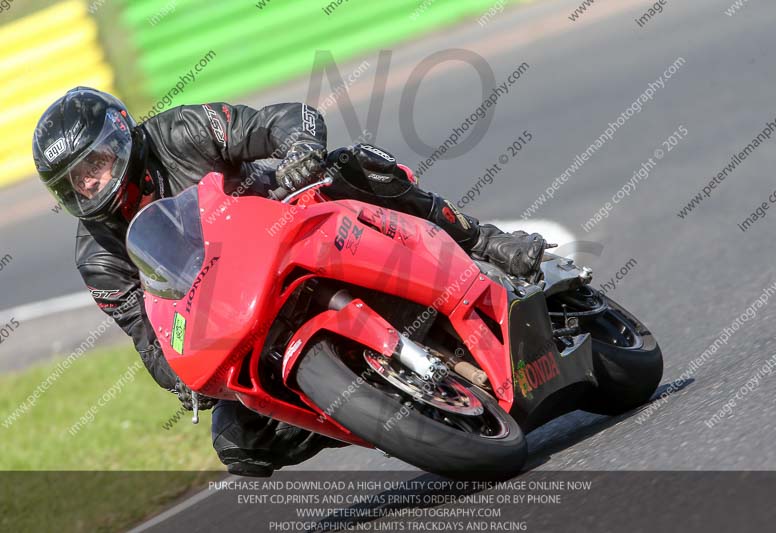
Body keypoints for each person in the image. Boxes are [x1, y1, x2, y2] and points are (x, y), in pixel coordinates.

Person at [32, 87, 545, 476]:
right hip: (238, 311)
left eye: (93, 166)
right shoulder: (97, 257)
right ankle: (364, 411)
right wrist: (183, 379)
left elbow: (282, 119)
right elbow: (148, 340)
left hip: (291, 222)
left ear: (120, 138)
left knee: (356, 165)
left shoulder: (180, 131)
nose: (90, 185)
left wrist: (299, 149)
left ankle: (482, 241)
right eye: (74, 182)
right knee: (237, 443)